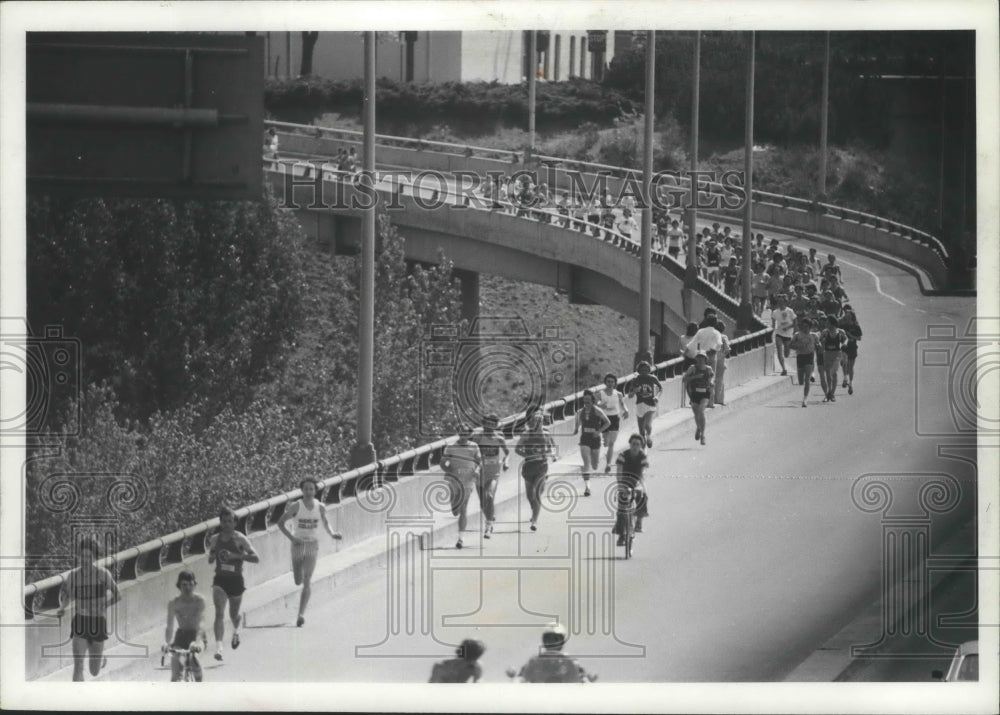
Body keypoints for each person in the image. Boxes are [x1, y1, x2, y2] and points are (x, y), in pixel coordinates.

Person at [278, 478, 343, 627]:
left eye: (311, 489)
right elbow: (280, 523)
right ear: (302, 491)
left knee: (307, 580)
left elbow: (326, 523)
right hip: (298, 545)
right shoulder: (296, 506)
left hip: (312, 545)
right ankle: (298, 573)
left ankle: (301, 614)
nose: (308, 492)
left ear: (315, 491)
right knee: (298, 580)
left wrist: (332, 534)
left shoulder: (320, 507)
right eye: (306, 489)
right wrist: (292, 538)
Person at [57, 536, 121, 681]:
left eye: (88, 556)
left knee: (94, 671)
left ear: (94, 557)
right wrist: (62, 608)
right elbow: (67, 596)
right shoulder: (73, 576)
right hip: (81, 621)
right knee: (78, 666)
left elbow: (118, 595)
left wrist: (106, 604)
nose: (85, 559)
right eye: (82, 556)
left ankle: (98, 654)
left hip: (98, 623)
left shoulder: (103, 574)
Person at [207, 506, 260, 661]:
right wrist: (212, 555)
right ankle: (219, 648)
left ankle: (236, 630)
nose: (227, 524)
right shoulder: (215, 539)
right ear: (220, 523)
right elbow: (211, 559)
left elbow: (256, 558)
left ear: (235, 522)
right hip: (220, 580)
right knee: (219, 613)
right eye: (224, 521)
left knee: (233, 615)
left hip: (236, 580)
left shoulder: (240, 538)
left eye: (230, 521)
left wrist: (236, 556)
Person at [515, 405, 558, 531]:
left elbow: (553, 447)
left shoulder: (546, 433)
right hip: (528, 466)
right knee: (530, 496)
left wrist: (552, 455)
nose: (536, 421)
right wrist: (527, 455)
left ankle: (534, 521)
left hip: (542, 466)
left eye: (538, 419)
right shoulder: (526, 434)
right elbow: (517, 449)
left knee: (537, 494)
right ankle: (535, 510)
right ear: (530, 420)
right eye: (533, 419)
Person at [510, 623, 596, 683]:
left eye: (555, 639)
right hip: (539, 699)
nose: (551, 642)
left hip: (566, 699)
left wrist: (588, 679)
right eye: (548, 639)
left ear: (562, 642)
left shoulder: (571, 662)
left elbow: (582, 678)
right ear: (544, 641)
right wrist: (515, 678)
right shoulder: (534, 661)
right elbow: (521, 678)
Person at [441, 427, 482, 549]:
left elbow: (479, 461)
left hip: (468, 480)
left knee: (463, 508)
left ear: (470, 434)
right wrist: (449, 470)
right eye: (462, 433)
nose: (464, 436)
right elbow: (443, 463)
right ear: (458, 433)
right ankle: (454, 505)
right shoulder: (451, 447)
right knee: (455, 511)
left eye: (467, 433)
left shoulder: (474, 446)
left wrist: (477, 470)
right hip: (454, 479)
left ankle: (461, 539)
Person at [471, 414, 510, 539]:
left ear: (496, 425)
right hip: (480, 472)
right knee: (483, 503)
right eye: (486, 424)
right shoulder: (477, 437)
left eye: (492, 424)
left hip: (494, 472)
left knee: (490, 496)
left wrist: (506, 462)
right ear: (483, 423)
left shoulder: (499, 438)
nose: (489, 427)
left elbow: (507, 453)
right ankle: (490, 516)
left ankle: (488, 526)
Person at [164, 570, 207, 682]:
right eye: (184, 585)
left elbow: (201, 624)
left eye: (190, 585)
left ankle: (200, 683)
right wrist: (167, 643)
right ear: (179, 585)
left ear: (194, 585)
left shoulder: (199, 601)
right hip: (181, 637)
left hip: (197, 636)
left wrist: (197, 642)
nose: (187, 588)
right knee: (175, 667)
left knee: (194, 658)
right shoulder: (173, 603)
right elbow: (169, 626)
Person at [572, 390, 611, 497]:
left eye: (588, 400)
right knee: (586, 463)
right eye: (585, 400)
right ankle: (587, 487)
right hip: (585, 439)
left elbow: (608, 423)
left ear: (592, 400)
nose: (586, 402)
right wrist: (576, 429)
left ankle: (587, 468)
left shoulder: (598, 411)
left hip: (595, 440)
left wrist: (598, 431)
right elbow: (578, 424)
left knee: (594, 466)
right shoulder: (580, 412)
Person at [614, 433, 650, 542]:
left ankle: (639, 521)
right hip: (624, 481)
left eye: (638, 444)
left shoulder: (643, 456)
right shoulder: (622, 455)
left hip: (637, 481)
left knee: (643, 495)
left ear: (641, 446)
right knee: (621, 507)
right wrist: (620, 485)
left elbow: (643, 471)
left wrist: (640, 484)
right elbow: (619, 471)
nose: (635, 446)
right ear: (630, 444)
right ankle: (621, 534)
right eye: (633, 444)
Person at [595, 374, 629, 475]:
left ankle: (608, 464)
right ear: (605, 382)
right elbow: (594, 403)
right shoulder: (600, 394)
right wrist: (601, 405)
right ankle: (605, 453)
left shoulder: (618, 394)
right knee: (606, 443)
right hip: (604, 419)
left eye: (612, 382)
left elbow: (623, 404)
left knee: (611, 444)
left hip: (615, 419)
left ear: (615, 383)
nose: (610, 383)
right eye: (608, 381)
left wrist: (626, 410)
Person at [682, 351, 715, 445]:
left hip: (705, 393)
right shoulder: (692, 368)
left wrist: (711, 382)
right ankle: (699, 428)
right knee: (696, 414)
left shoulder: (708, 369)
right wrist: (695, 377)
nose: (700, 360)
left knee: (701, 411)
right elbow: (684, 379)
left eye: (702, 358)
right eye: (698, 358)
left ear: (705, 359)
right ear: (696, 359)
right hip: (694, 393)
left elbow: (712, 377)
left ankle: (703, 435)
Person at [627, 361, 662, 448]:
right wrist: (635, 391)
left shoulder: (653, 378)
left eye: (646, 370)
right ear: (639, 371)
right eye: (642, 370)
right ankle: (643, 447)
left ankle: (649, 437)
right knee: (641, 431)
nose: (644, 372)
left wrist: (657, 396)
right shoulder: (635, 380)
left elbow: (660, 388)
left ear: (649, 370)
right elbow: (630, 395)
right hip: (640, 405)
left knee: (647, 425)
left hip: (651, 404)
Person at [788, 318, 821, 407]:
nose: (804, 328)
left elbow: (818, 345)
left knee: (807, 380)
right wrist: (798, 346)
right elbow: (790, 345)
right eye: (803, 326)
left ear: (810, 327)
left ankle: (805, 399)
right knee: (801, 381)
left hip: (809, 357)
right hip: (800, 357)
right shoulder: (797, 335)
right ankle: (804, 393)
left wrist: (818, 346)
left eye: (806, 326)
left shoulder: (814, 335)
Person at [819, 315, 848, 402]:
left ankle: (832, 393)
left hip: (837, 354)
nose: (826, 324)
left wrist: (844, 344)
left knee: (833, 372)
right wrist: (821, 344)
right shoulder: (825, 332)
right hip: (827, 353)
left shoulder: (840, 331)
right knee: (828, 373)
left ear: (832, 323)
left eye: (827, 322)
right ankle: (830, 392)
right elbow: (820, 341)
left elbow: (846, 339)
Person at [771, 294, 796, 376]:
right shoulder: (775, 312)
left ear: (785, 302)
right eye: (779, 302)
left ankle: (787, 353)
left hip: (788, 334)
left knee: (786, 354)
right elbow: (773, 324)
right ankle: (784, 369)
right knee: (778, 348)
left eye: (782, 302)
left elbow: (795, 324)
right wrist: (772, 331)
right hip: (779, 333)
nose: (780, 303)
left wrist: (788, 327)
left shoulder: (790, 311)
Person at [841, 305, 863, 395]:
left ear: (852, 317)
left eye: (849, 316)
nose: (847, 317)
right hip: (844, 347)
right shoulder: (843, 325)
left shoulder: (856, 326)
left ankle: (850, 383)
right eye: (846, 316)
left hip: (853, 347)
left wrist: (851, 336)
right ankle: (845, 378)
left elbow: (859, 338)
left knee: (850, 366)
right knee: (844, 362)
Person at [713, 320, 731, 406]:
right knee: (720, 380)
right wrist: (722, 355)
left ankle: (711, 399)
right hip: (721, 360)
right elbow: (727, 349)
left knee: (711, 379)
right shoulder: (723, 337)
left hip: (712, 358)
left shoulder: (712, 336)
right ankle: (719, 400)